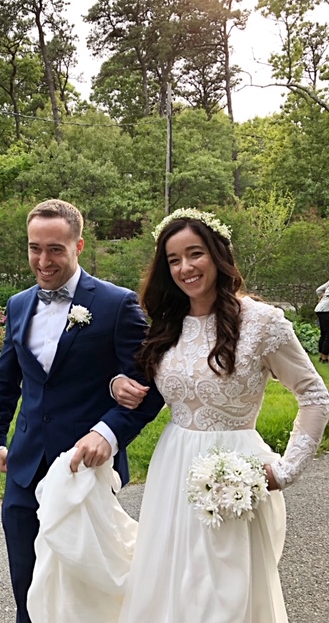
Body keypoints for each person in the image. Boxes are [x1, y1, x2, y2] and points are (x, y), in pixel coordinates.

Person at [112, 208, 329, 623]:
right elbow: (146, 387)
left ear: (217, 255)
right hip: (173, 466)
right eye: (173, 260)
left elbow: (315, 394)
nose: (185, 267)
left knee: (224, 592)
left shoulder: (263, 323)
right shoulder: (167, 322)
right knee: (170, 581)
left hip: (234, 473)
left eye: (195, 254)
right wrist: (116, 384)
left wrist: (286, 470)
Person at [0, 198, 163, 623]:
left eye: (55, 249)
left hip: (86, 472)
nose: (43, 261)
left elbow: (149, 388)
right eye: (34, 248)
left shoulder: (116, 304)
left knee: (86, 591)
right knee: (27, 585)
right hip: (25, 469)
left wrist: (109, 432)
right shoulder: (18, 304)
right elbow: (6, 378)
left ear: (79, 246)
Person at [315, 278, 329, 363]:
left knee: (324, 334)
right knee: (328, 335)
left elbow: (318, 290)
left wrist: (322, 296)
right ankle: (324, 358)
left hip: (320, 309)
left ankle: (321, 356)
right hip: (326, 310)